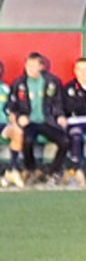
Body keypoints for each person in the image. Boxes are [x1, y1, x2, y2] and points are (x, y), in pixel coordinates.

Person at [6, 52, 73, 183]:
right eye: (28, 65)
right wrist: (20, 117)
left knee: (65, 141)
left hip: (47, 121)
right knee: (28, 140)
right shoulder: (19, 83)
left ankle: (53, 171)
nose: (30, 69)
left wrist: (59, 116)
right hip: (29, 122)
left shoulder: (52, 82)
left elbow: (57, 102)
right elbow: (12, 105)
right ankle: (31, 169)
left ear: (41, 67)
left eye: (33, 66)